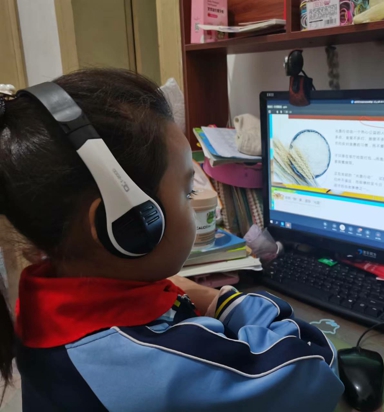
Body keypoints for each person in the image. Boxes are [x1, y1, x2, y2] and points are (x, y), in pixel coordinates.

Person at [0, 69, 343, 411]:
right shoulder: (159, 366)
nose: (201, 203)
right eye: (187, 191)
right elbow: (316, 367)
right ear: (125, 223)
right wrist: (221, 300)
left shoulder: (37, 308)